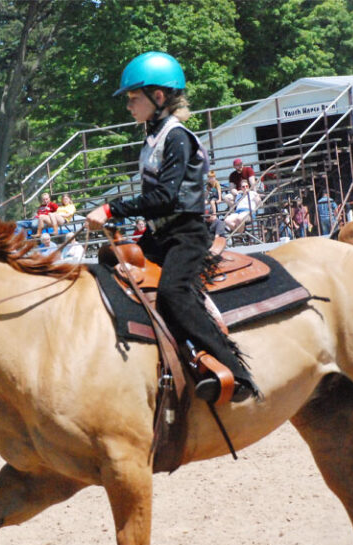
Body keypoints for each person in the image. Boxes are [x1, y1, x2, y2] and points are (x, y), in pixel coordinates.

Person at [85, 51, 255, 400]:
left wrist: (110, 208)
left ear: (157, 97)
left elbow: (164, 197)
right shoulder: (153, 138)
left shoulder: (176, 137)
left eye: (134, 99)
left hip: (186, 235)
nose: (129, 106)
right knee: (107, 269)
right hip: (159, 235)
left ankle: (235, 375)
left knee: (173, 293)